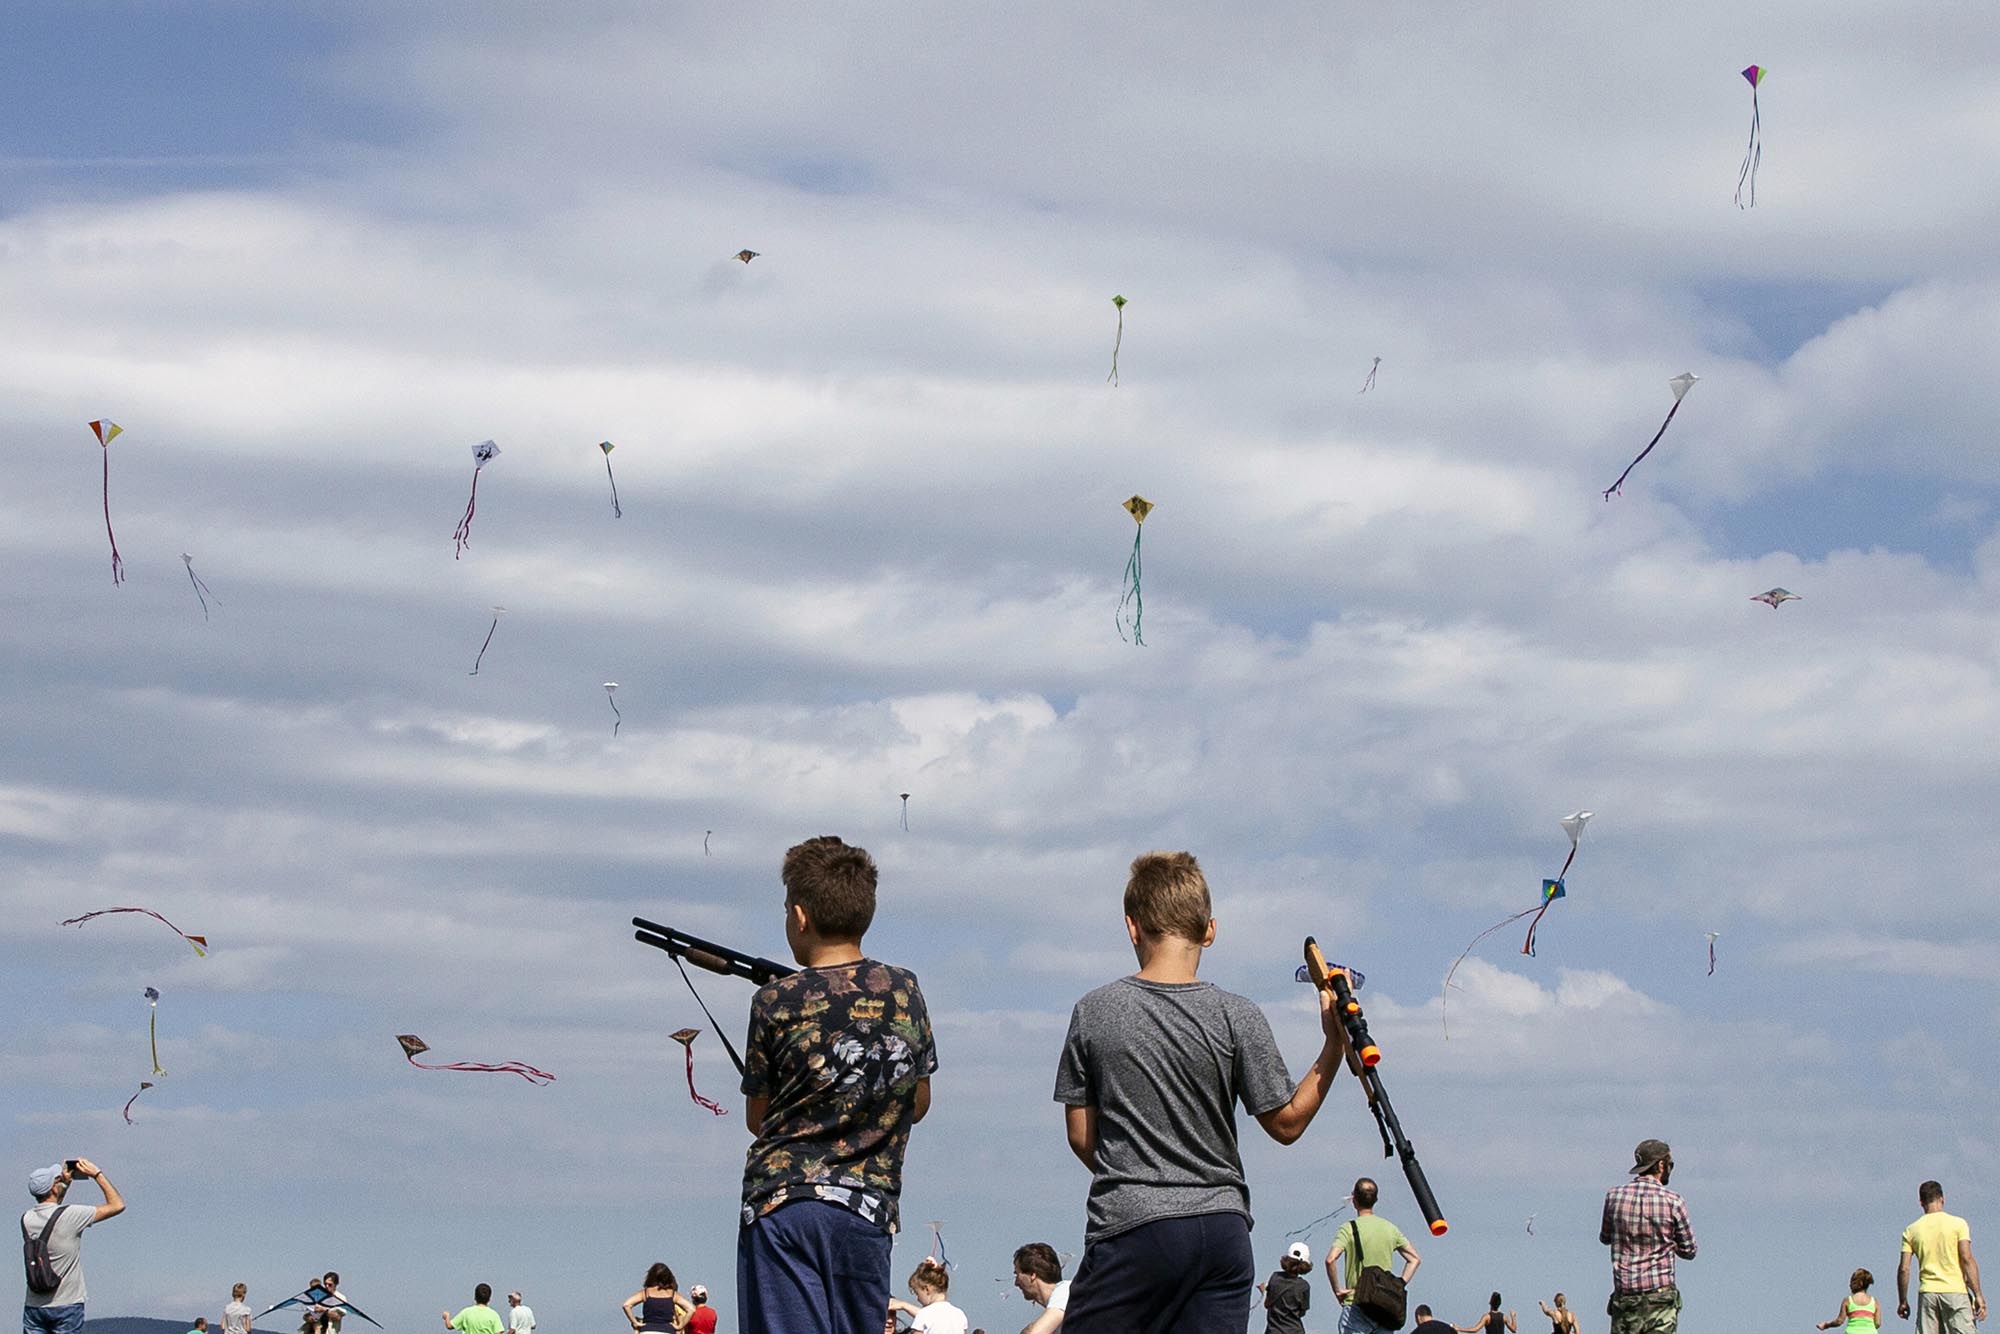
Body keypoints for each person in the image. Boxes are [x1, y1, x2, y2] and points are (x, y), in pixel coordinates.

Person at [1054, 851, 1356, 1333]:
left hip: (1133, 1225)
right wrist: (1333, 1043)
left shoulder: (1094, 1011)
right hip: (1223, 1231)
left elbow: (1081, 1136)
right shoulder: (1239, 1015)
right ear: (1209, 930)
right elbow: (1287, 1122)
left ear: (1132, 928)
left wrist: (1140, 1169)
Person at [736, 836, 938, 1334]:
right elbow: (919, 1099)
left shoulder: (774, 1000)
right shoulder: (905, 989)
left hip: (783, 1205)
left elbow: (757, 1117)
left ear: (800, 916)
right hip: (866, 1208)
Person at [1599, 1138, 1696, 1334]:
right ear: (1661, 1165)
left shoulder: (1614, 1197)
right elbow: (1689, 1250)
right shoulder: (1673, 1201)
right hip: (1660, 1299)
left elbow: (1605, 1237)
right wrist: (1669, 1243)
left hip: (1626, 1299)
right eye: (1670, 1165)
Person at [21, 1158, 125, 1334]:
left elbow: (53, 1214)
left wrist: (64, 1185)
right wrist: (97, 1174)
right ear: (53, 1188)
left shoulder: (27, 1218)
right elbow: (117, 1205)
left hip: (34, 1304)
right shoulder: (72, 1215)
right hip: (67, 1303)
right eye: (58, 1180)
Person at [1326, 1178, 1420, 1334]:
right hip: (1383, 1306)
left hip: (1356, 1302)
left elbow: (1330, 1260)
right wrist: (1399, 1284)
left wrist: (1338, 1290)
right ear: (1376, 1200)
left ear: (1354, 1199)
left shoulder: (1348, 1228)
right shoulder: (1390, 1228)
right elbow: (1414, 1259)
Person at [1898, 1181, 1985, 1333]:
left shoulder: (1911, 1230)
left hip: (1928, 1293)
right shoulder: (1958, 1224)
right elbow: (1966, 1258)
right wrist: (1978, 1294)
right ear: (1942, 1199)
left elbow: (1904, 1268)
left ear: (1921, 1202)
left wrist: (1903, 1300)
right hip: (1955, 1291)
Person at [887, 1258, 967, 1334]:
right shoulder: (960, 1314)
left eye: (917, 1293)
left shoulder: (923, 1315)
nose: (918, 1299)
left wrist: (904, 1305)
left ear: (927, 1289)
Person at [1010, 1243, 1069, 1334]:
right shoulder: (1055, 1324)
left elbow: (1034, 1332)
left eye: (1017, 1274)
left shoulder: (1065, 1291)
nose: (1016, 1283)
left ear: (1032, 1274)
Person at [1257, 1242, 1313, 1334]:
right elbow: (1302, 1312)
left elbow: (1267, 1304)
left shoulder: (1275, 1277)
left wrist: (1265, 1291)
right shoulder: (1304, 1286)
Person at [623, 1265, 694, 1334]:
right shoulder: (672, 1294)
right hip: (667, 1330)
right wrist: (680, 1326)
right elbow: (691, 1309)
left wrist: (635, 1322)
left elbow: (626, 1305)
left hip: (648, 1330)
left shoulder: (645, 1292)